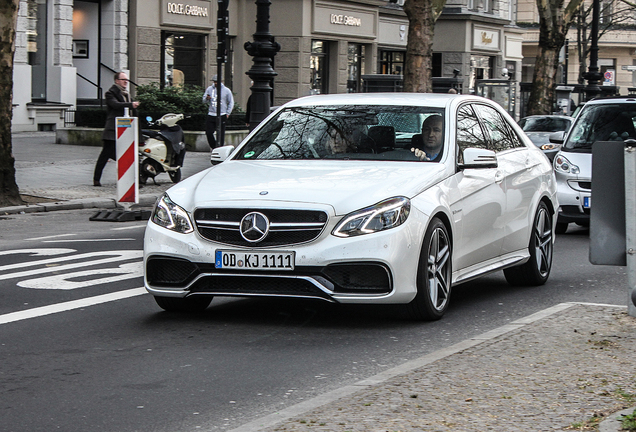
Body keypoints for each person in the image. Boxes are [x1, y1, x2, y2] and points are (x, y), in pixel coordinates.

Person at [93, 72, 140, 186]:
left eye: (127, 80)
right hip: (113, 129)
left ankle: (135, 180)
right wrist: (130, 105)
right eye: (123, 79)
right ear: (116, 81)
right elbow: (115, 105)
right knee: (106, 155)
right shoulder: (110, 93)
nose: (126, 82)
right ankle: (96, 179)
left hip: (126, 128)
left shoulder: (127, 94)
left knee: (127, 155)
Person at [203, 75, 234, 148]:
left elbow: (231, 102)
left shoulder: (226, 90)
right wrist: (207, 98)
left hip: (222, 114)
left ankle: (220, 147)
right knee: (209, 132)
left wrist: (228, 113)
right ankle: (214, 147)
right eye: (214, 82)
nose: (216, 83)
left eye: (217, 82)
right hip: (211, 113)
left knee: (221, 133)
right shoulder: (209, 89)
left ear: (221, 81)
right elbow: (203, 100)